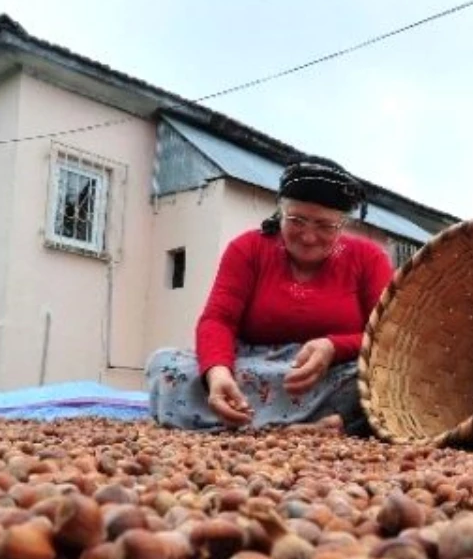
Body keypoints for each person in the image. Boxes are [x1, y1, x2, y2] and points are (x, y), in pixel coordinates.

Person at [145, 155, 395, 436]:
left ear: (342, 224)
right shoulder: (248, 249)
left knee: (382, 379)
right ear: (280, 213)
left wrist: (333, 347)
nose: (309, 237)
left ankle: (316, 422)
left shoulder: (369, 258)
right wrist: (217, 373)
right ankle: (324, 425)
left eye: (325, 226)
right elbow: (218, 320)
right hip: (252, 365)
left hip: (331, 373)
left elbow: (386, 338)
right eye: (297, 220)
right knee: (166, 365)